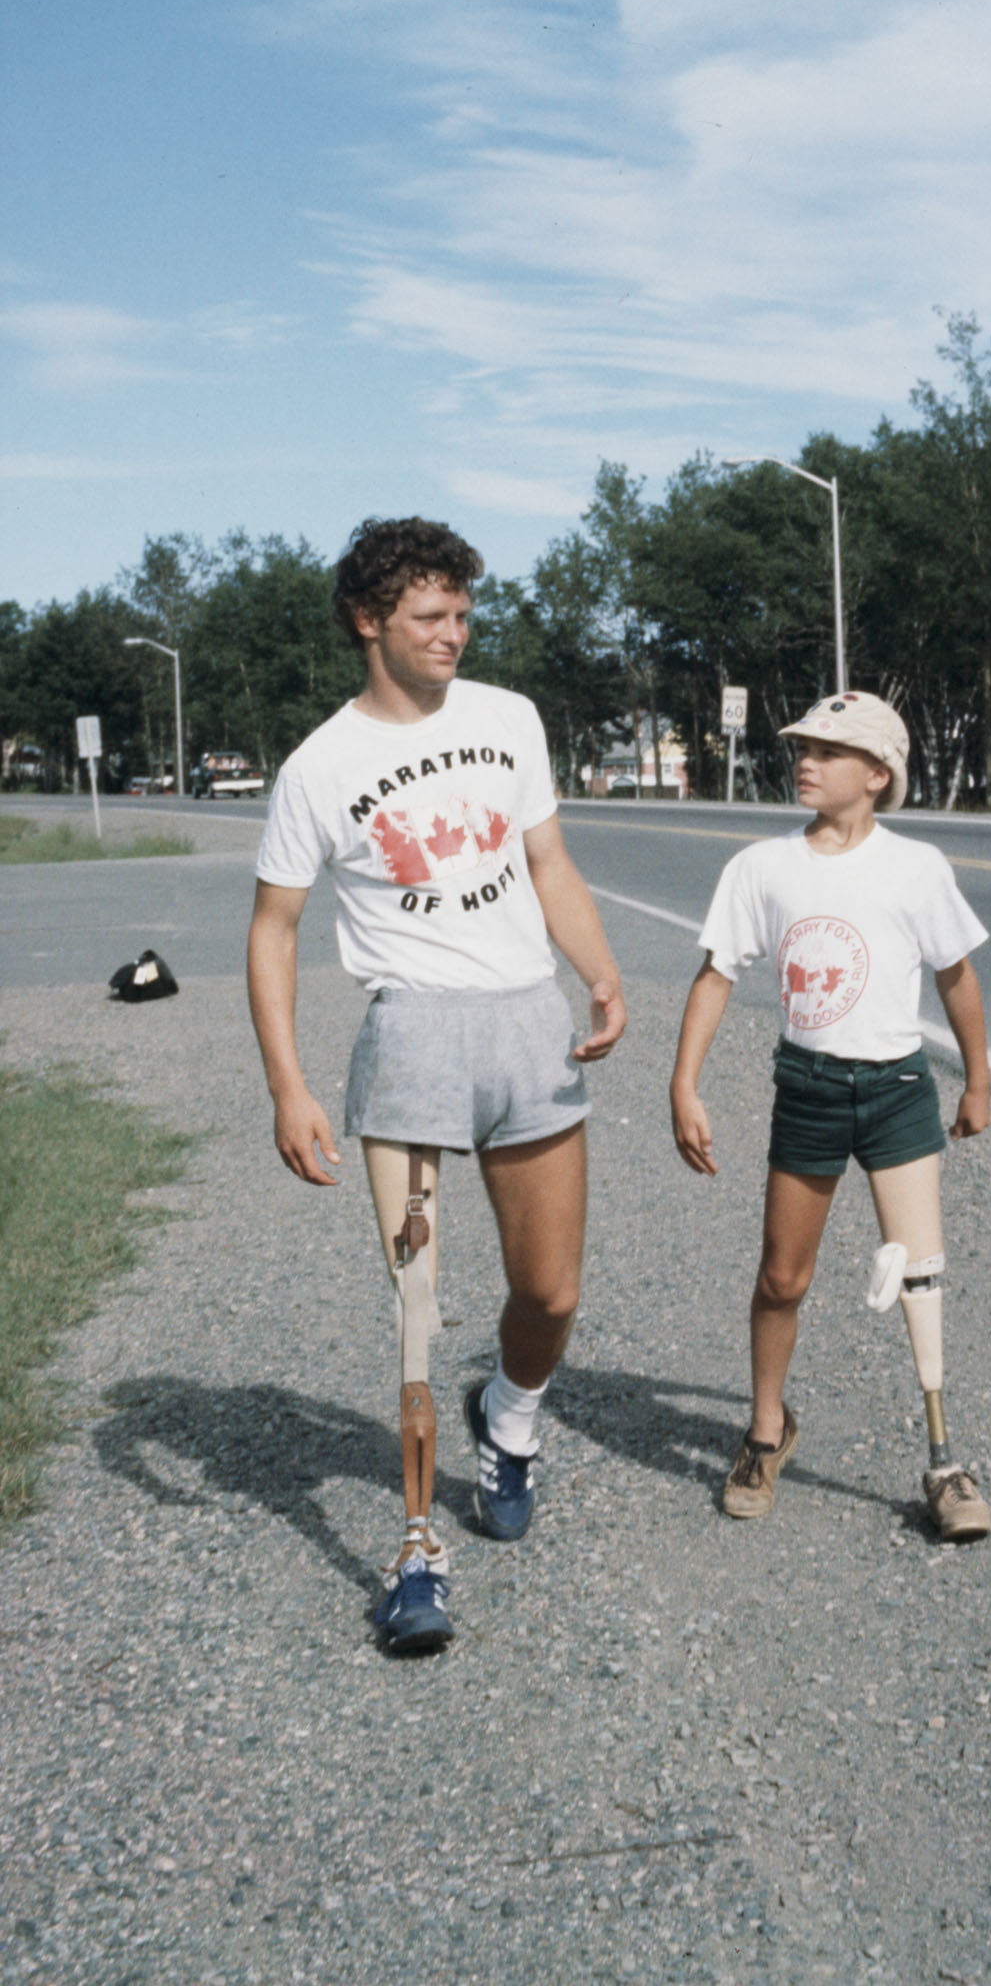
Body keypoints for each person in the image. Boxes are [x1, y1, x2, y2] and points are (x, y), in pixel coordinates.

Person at [247, 516, 626, 1652]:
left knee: (550, 1293)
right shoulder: (320, 765)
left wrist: (598, 971)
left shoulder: (509, 719)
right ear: (369, 622)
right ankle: (417, 1555)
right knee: (417, 1313)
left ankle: (509, 1417)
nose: (453, 633)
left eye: (462, 613)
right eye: (429, 617)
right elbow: (273, 930)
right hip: (410, 1037)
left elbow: (547, 861)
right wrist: (289, 1085)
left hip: (526, 1025)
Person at [669, 691, 991, 1542]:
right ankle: (766, 1432)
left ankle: (944, 1461)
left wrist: (977, 1082)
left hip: (895, 1091)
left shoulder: (916, 866)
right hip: (807, 1090)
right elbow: (715, 975)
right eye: (801, 747)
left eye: (827, 750)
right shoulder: (760, 868)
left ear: (876, 774)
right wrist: (683, 1085)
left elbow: (956, 975)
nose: (804, 761)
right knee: (782, 1278)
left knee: (920, 1277)